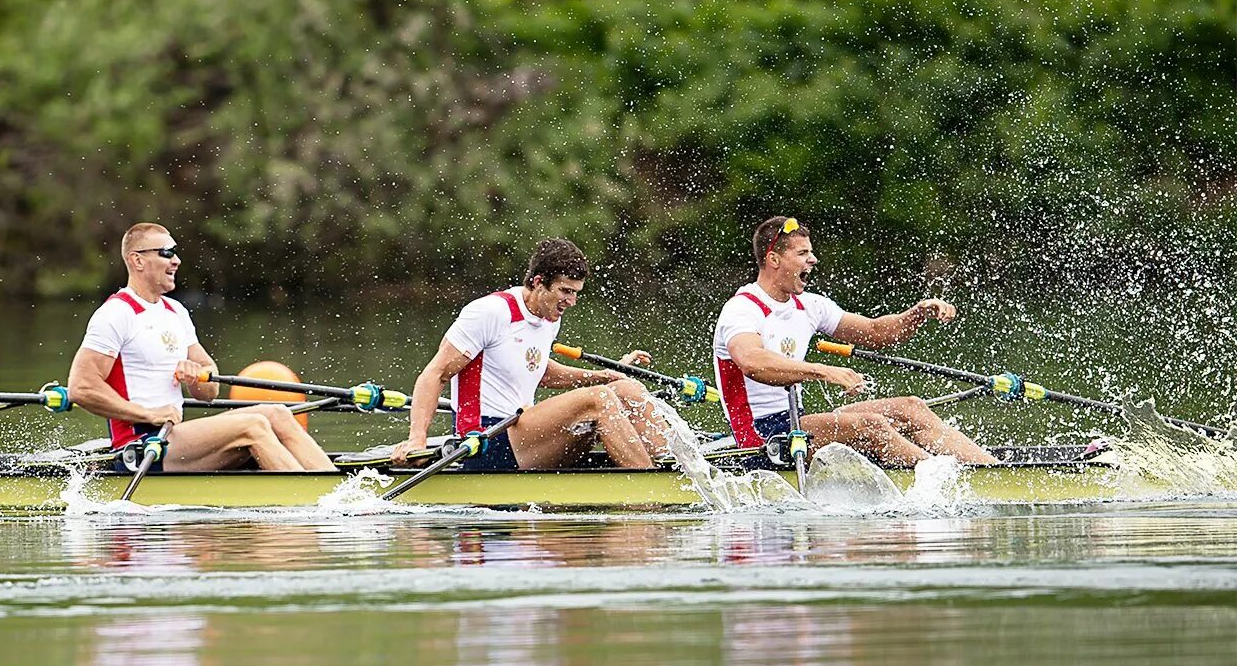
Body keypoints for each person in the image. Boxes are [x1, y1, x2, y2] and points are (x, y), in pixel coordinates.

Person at [711, 217, 997, 466]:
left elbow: (874, 333)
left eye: (811, 252)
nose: (813, 260)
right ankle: (946, 487)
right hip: (759, 436)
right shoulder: (742, 309)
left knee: (911, 407)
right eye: (802, 253)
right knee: (872, 426)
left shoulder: (809, 306)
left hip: (798, 423)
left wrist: (916, 313)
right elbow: (752, 362)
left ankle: (994, 473)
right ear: (774, 259)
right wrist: (824, 371)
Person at [67, 223, 335, 472]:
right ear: (137, 260)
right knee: (253, 425)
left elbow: (208, 391)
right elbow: (82, 387)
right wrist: (148, 413)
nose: (176, 260)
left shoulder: (176, 312)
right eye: (166, 252)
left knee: (277, 413)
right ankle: (310, 498)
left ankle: (336, 490)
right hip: (142, 445)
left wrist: (195, 377)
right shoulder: (116, 314)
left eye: (175, 253)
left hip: (175, 437)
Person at [391, 238, 670, 470]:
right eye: (565, 291)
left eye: (576, 293)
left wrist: (599, 376)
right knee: (600, 399)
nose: (571, 302)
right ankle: (651, 489)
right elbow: (435, 373)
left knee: (626, 388)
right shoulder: (489, 312)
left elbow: (539, 369)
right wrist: (418, 440)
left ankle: (675, 469)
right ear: (538, 282)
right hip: (486, 440)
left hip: (524, 434)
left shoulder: (549, 316)